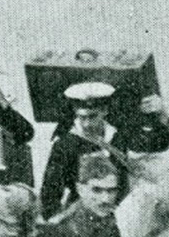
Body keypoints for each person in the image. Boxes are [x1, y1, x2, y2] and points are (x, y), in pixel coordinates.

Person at [40, 82, 131, 218]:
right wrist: (54, 223)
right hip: (83, 214)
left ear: (105, 111)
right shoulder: (66, 145)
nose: (86, 123)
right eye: (82, 117)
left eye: (92, 116)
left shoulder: (119, 137)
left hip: (119, 211)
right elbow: (51, 190)